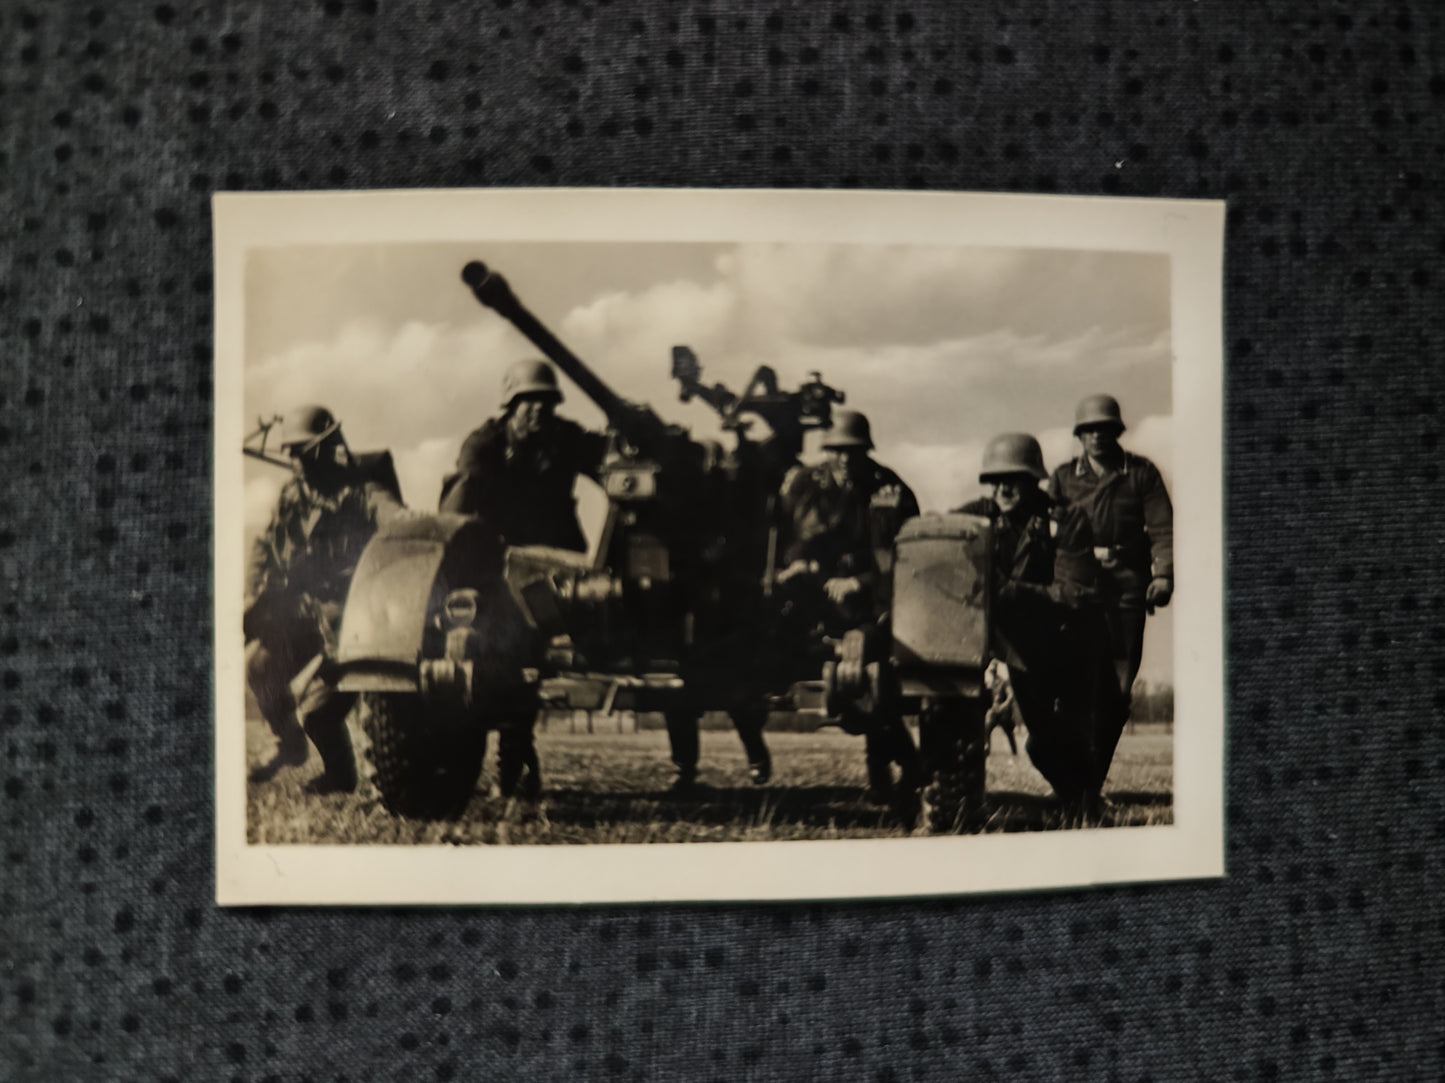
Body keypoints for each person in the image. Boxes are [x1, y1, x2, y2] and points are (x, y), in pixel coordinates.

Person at [439, 359, 609, 801]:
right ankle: (512, 765)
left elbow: (610, 460)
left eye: (547, 402)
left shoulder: (566, 439)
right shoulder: (484, 444)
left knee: (527, 659)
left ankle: (513, 768)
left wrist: (628, 440)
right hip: (494, 568)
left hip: (553, 571)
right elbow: (460, 501)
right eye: (528, 401)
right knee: (501, 663)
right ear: (510, 405)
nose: (539, 410)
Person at [956, 432, 1120, 818]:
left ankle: (1084, 805)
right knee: (1040, 741)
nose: (1002, 488)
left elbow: (1073, 593)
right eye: (995, 479)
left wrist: (1007, 592)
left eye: (1013, 478)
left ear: (1034, 479)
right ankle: (1079, 803)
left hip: (1065, 646)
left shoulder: (1065, 520)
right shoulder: (976, 516)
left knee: (1054, 742)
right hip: (1012, 646)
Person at [244, 405, 406, 792]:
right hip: (303, 612)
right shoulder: (292, 496)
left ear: (324, 449)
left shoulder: (363, 490)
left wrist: (408, 521)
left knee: (318, 712)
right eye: (293, 454)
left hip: (352, 621)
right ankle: (289, 743)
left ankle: (341, 775)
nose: (296, 462)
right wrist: (253, 593)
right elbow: (265, 545)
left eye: (303, 452)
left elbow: (396, 518)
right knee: (259, 665)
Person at [776, 408, 921, 808]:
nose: (843, 459)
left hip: (872, 605)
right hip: (811, 602)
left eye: (852, 451)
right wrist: (798, 567)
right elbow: (785, 538)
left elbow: (906, 560)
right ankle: (897, 768)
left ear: (865, 451)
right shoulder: (803, 485)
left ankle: (895, 767)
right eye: (837, 451)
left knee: (872, 679)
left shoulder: (890, 490)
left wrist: (858, 582)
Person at [1047, 394, 1174, 720]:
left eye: (1104, 429)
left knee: (1122, 669)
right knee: (1072, 659)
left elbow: (1162, 528)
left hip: (1127, 579)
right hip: (1076, 578)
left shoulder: (1141, 473)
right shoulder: (1063, 477)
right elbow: (1046, 529)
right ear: (1079, 435)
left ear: (1116, 431)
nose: (1097, 436)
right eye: (1089, 430)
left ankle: (1107, 729)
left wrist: (1163, 575)